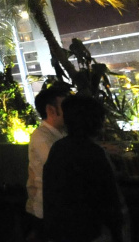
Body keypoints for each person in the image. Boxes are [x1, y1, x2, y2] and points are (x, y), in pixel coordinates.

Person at [43, 95, 123, 242]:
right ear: (95, 121)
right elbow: (109, 199)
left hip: (60, 231)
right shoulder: (93, 152)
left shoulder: (58, 148)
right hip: (90, 232)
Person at [25, 85, 69, 241]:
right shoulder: (41, 137)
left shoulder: (62, 133)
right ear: (51, 110)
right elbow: (61, 165)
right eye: (65, 107)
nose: (70, 111)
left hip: (57, 206)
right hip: (45, 208)